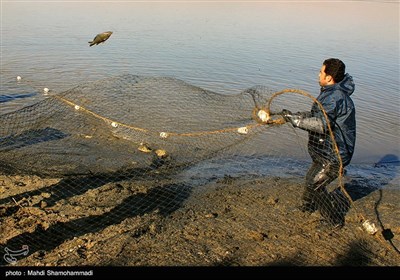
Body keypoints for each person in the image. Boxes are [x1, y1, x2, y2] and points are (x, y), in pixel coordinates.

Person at [282, 58, 356, 228]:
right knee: (311, 178)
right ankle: (307, 206)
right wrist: (296, 115)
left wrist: (295, 121)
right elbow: (318, 114)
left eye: (321, 72)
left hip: (335, 153)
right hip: (324, 150)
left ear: (329, 77)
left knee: (315, 185)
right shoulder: (330, 91)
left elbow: (322, 125)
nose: (318, 74)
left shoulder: (335, 97)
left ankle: (334, 221)